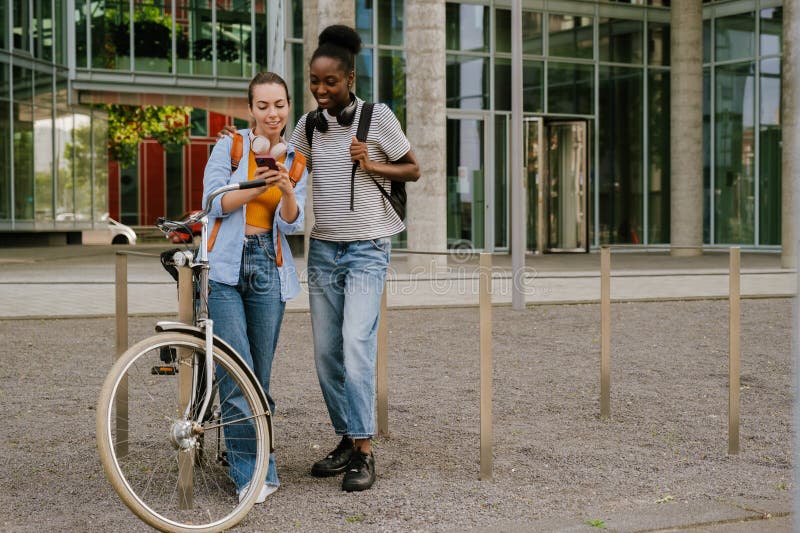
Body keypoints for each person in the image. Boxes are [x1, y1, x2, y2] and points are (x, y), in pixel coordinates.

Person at [290, 24, 420, 492]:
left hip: (367, 250)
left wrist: (372, 164)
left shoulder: (378, 118)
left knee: (355, 346)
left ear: (349, 79)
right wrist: (241, 141)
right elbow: (286, 166)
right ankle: (346, 435)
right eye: (314, 81)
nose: (321, 90)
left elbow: (413, 169)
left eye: (330, 82)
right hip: (323, 251)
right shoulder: (307, 126)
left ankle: (364, 451)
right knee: (327, 354)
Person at [203, 71, 307, 503]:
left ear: (288, 107)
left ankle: (247, 455)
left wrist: (284, 190)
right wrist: (254, 187)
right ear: (250, 110)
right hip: (226, 265)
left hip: (268, 264)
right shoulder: (230, 146)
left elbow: (294, 222)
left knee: (258, 377)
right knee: (236, 368)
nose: (272, 113)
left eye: (279, 105)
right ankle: (255, 473)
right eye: (262, 106)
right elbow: (213, 202)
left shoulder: (296, 159)